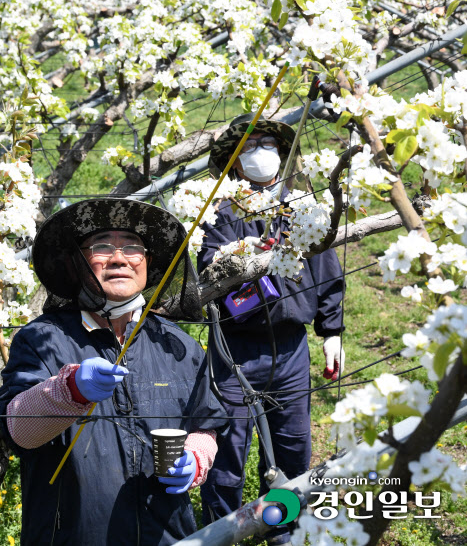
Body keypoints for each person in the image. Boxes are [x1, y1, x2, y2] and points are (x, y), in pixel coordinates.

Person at [0, 198, 228, 546]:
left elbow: (205, 423)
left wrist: (196, 458)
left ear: (148, 263)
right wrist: (70, 390)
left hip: (168, 535)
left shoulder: (176, 344)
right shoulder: (41, 339)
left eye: (133, 248)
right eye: (102, 246)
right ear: (76, 263)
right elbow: (18, 431)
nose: (119, 258)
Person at [198, 115, 345, 546]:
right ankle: (220, 534)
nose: (260, 151)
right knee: (226, 453)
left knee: (293, 449)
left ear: (282, 153)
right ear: (233, 161)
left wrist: (331, 329)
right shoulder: (219, 210)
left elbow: (326, 267)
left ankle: (287, 535)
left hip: (291, 347)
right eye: (249, 145)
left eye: (268, 143)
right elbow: (208, 271)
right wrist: (242, 255)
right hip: (234, 348)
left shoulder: (303, 206)